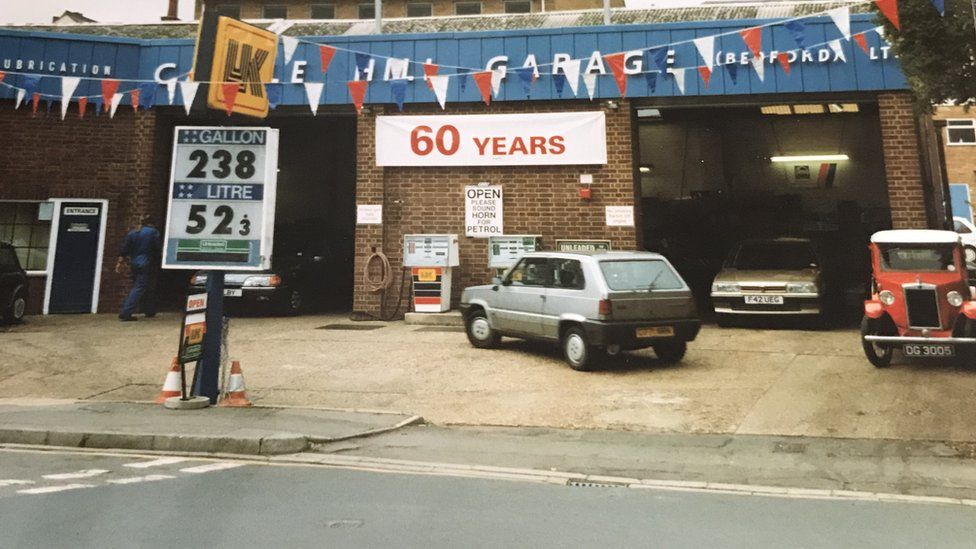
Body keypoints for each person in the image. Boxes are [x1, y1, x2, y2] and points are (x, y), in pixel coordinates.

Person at [117, 214, 161, 321]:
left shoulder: (132, 233)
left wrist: (119, 263)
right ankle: (126, 312)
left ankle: (149, 309)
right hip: (147, 262)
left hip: (134, 262)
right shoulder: (153, 232)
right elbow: (158, 248)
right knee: (140, 286)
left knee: (144, 286)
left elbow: (124, 249)